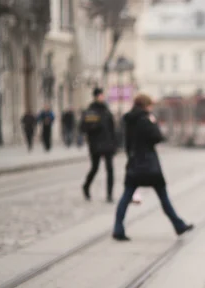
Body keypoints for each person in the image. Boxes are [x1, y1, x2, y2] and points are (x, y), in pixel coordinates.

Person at [112, 93, 193, 241]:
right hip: (149, 165)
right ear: (146, 105)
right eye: (150, 105)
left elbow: (126, 142)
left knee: (126, 197)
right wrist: (153, 122)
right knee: (163, 197)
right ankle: (178, 225)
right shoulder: (146, 119)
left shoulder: (128, 120)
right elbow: (157, 137)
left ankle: (118, 228)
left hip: (134, 163)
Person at [80, 88, 117, 202]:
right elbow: (83, 127)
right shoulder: (91, 111)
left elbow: (112, 128)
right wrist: (95, 126)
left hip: (107, 144)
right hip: (95, 144)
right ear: (96, 97)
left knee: (110, 169)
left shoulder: (106, 110)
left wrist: (114, 143)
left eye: (102, 95)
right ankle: (86, 186)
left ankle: (109, 194)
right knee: (95, 168)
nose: (102, 97)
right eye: (100, 95)